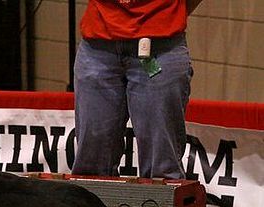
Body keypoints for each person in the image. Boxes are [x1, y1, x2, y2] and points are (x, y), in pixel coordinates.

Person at [72, 0, 204, 179]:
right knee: (90, 167)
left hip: (161, 45)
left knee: (162, 171)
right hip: (97, 45)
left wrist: (166, 16)